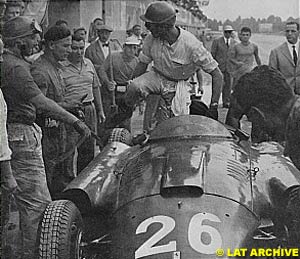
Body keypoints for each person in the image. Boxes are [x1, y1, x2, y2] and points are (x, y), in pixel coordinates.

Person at [1, 16, 90, 258]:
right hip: (20, 134)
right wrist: (75, 121)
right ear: (19, 41)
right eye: (33, 37)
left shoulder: (10, 62)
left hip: (14, 134)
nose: (37, 41)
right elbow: (40, 102)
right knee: (36, 206)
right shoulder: (16, 67)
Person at [110, 1, 222, 126]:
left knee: (175, 122)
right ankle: (125, 111)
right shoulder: (150, 39)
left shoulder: (192, 45)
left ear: (163, 26)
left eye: (149, 25)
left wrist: (214, 105)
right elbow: (142, 63)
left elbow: (217, 75)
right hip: (157, 77)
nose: (147, 27)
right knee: (134, 86)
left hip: (179, 84)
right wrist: (129, 86)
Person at [31, 25, 82, 196]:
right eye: (65, 46)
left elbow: (56, 100)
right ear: (51, 45)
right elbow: (40, 107)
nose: (69, 50)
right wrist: (68, 106)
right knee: (49, 181)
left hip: (60, 135)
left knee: (62, 178)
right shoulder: (40, 70)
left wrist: (70, 104)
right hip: (47, 138)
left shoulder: (54, 67)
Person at [61, 35, 105, 176]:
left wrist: (100, 110)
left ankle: (83, 181)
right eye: (74, 48)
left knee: (88, 149)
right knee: (69, 150)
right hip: (70, 111)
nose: (79, 52)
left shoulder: (89, 64)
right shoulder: (61, 66)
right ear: (69, 48)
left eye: (81, 48)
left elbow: (96, 87)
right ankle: (67, 183)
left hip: (89, 110)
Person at [102, 36, 139, 133]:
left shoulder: (136, 62)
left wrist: (133, 82)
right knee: (110, 123)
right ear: (124, 47)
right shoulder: (113, 57)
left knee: (125, 124)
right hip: (112, 94)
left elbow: (139, 79)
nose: (132, 50)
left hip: (126, 95)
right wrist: (108, 82)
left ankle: (125, 144)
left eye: (135, 47)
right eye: (130, 47)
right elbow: (102, 70)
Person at [269, 21, 300, 94]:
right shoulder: (276, 52)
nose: (289, 34)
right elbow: (272, 76)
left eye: (293, 31)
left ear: (298, 32)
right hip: (286, 95)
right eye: (287, 31)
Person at [211, 25, 237, 108]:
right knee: (218, 86)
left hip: (229, 68)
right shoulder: (217, 41)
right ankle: (214, 102)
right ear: (223, 32)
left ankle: (226, 102)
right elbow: (212, 55)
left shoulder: (234, 43)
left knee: (228, 86)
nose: (228, 33)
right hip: (219, 67)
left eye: (230, 32)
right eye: (226, 32)